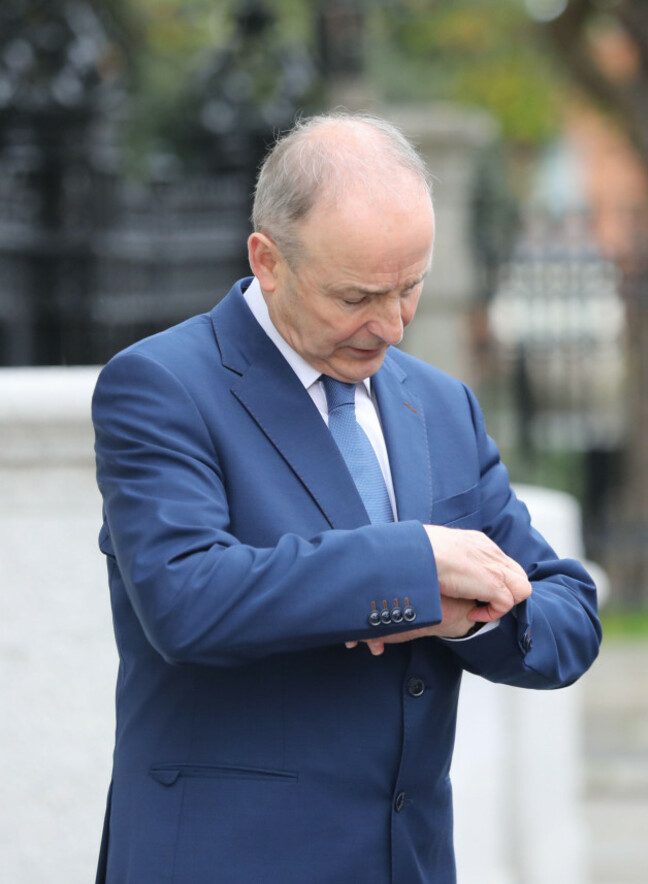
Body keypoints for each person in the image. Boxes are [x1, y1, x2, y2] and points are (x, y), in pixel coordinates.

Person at [92, 113, 601, 884]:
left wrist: (465, 616)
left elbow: (569, 613)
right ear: (267, 261)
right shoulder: (162, 385)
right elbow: (186, 598)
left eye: (411, 287)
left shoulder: (442, 404)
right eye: (358, 296)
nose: (391, 326)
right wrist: (411, 568)